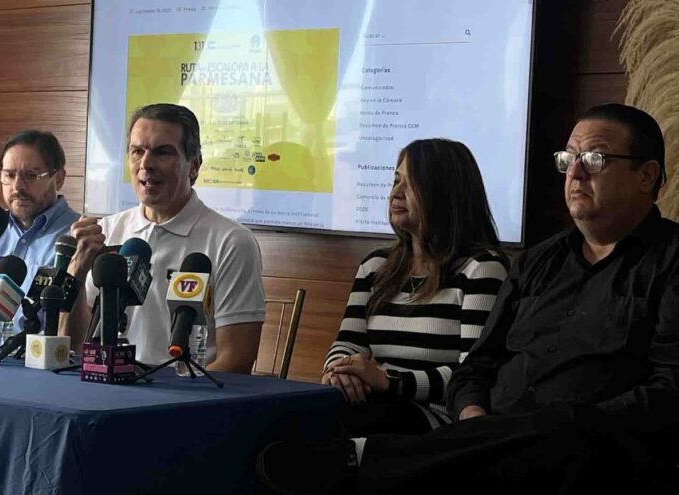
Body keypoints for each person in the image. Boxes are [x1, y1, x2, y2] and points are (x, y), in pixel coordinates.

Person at [257, 103, 679, 494]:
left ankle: (359, 461)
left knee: (560, 426)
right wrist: (475, 424)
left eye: (595, 159)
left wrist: (578, 422)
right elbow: (477, 366)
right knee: (309, 416)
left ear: (646, 176)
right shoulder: (538, 261)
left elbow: (669, 389)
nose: (576, 173)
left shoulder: (670, 261)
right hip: (494, 433)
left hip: (593, 445)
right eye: (568, 159)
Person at [323, 138, 509, 435]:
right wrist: (339, 371)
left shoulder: (482, 269)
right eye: (396, 181)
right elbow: (347, 343)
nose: (395, 193)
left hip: (438, 418)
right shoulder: (375, 266)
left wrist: (390, 382)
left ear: (445, 192)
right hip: (375, 406)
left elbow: (473, 374)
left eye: (411, 184)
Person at [62, 103, 266, 373]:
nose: (146, 164)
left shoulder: (231, 242)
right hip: (107, 384)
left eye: (162, 152)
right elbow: (73, 346)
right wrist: (77, 271)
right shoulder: (106, 231)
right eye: (137, 151)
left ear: (194, 166)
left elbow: (237, 359)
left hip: (187, 392)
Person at [0, 130, 81, 326]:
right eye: (9, 175)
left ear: (59, 179)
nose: (17, 186)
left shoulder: (77, 238)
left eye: (30, 175)